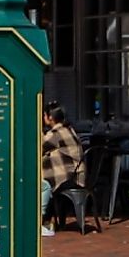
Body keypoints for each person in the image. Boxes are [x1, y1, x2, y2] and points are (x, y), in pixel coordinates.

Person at [42, 101, 88, 236]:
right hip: (77, 175)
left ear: (50, 117)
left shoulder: (56, 133)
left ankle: (42, 221)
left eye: (44, 115)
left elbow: (38, 147)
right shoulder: (69, 129)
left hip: (70, 178)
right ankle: (47, 221)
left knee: (41, 184)